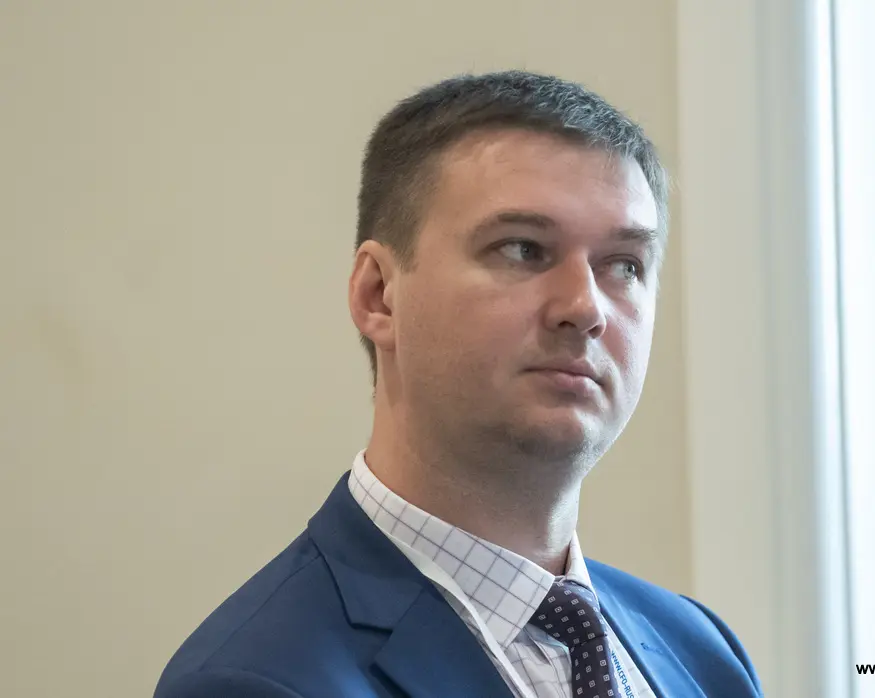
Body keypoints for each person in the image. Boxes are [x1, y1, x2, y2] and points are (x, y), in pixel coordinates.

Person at [155, 70, 762, 698]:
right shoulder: (258, 680)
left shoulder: (702, 652)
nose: (585, 308)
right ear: (379, 295)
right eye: (523, 249)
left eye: (624, 265)